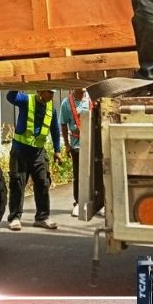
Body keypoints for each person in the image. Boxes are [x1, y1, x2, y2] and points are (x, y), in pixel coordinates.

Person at [5, 89, 62, 231]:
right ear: (40, 91)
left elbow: (55, 129)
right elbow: (10, 96)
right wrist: (18, 82)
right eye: (50, 93)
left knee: (43, 182)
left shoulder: (51, 109)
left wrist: (57, 150)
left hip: (38, 152)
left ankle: (42, 218)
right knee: (18, 183)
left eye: (53, 93)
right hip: (20, 151)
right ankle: (15, 218)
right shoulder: (26, 100)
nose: (52, 96)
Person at [59, 87, 90, 216]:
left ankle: (97, 203)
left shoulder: (92, 99)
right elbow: (63, 124)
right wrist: (67, 145)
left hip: (92, 144)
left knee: (95, 174)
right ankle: (78, 203)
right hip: (77, 145)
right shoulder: (66, 103)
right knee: (78, 175)